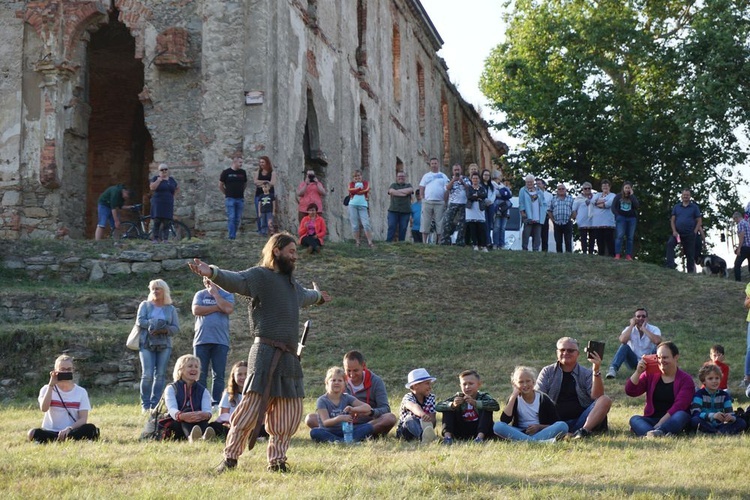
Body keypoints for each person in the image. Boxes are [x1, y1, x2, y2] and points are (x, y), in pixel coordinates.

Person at [188, 232, 331, 473]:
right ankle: (230, 458)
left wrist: (319, 297)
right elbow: (235, 280)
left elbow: (306, 296)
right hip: (264, 353)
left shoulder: (292, 285)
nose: (295, 256)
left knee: (288, 414)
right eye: (291, 251)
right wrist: (211, 271)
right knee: (249, 411)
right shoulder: (260, 276)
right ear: (276, 251)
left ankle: (277, 461)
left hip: (288, 357)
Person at [308, 351, 398, 437]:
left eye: (355, 370)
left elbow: (385, 409)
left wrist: (370, 412)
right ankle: (352, 435)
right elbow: (328, 403)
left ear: (363, 366)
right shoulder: (340, 382)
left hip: (367, 423)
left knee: (390, 418)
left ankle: (351, 434)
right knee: (311, 418)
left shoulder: (376, 382)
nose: (352, 375)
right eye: (348, 371)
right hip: (341, 423)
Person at [535, 337, 612, 439]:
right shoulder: (547, 372)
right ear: (557, 352)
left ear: (578, 354)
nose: (566, 353)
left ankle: (583, 432)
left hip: (581, 421)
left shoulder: (587, 374)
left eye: (570, 350)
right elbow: (537, 397)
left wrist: (596, 370)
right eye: (562, 350)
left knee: (605, 400)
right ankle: (560, 431)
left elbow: (597, 397)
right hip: (554, 423)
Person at [626, 341, 694, 438]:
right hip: (652, 418)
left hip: (672, 418)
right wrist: (638, 372)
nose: (661, 361)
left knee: (681, 415)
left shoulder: (686, 380)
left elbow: (679, 406)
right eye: (658, 357)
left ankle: (652, 433)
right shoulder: (650, 374)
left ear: (676, 357)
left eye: (665, 357)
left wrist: (660, 424)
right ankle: (655, 434)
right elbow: (630, 391)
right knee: (634, 419)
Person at [27, 355, 99, 444]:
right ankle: (64, 439)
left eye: (68, 369)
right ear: (55, 371)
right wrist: (51, 385)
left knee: (90, 428)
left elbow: (83, 418)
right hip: (51, 430)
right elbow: (44, 408)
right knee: (33, 432)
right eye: (62, 369)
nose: (65, 372)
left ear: (73, 371)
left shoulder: (81, 392)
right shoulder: (46, 389)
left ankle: (58, 439)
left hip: (71, 431)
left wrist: (69, 428)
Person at [135, 279, 180, 412]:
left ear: (164, 291)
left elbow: (176, 328)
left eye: (158, 288)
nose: (155, 291)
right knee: (147, 374)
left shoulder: (170, 308)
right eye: (153, 289)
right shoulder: (145, 305)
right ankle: (145, 405)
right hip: (146, 343)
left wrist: (163, 329)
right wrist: (153, 324)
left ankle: (155, 405)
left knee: (160, 374)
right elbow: (140, 321)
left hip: (164, 344)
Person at [493, 366, 568, 442]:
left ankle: (525, 441)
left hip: (540, 432)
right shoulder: (514, 399)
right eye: (521, 382)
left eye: (528, 381)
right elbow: (504, 420)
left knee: (562, 425)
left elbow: (554, 423)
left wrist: (539, 427)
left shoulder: (543, 398)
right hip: (520, 432)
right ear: (515, 384)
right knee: (498, 426)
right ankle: (538, 442)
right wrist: (513, 396)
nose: (525, 385)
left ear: (534, 382)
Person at [192, 276, 235, 406]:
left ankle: (216, 402)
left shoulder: (227, 294)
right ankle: (202, 402)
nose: (208, 283)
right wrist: (217, 307)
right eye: (206, 280)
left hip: (220, 341)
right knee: (200, 374)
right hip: (201, 340)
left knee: (218, 375)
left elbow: (228, 309)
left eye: (211, 280)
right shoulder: (199, 294)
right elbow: (196, 310)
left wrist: (215, 294)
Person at [310, 367, 374, 443]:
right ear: (327, 382)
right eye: (333, 380)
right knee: (314, 432)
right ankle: (344, 441)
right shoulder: (322, 400)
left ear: (345, 383)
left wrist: (353, 409)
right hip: (328, 431)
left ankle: (341, 441)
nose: (336, 382)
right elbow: (326, 422)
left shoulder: (347, 397)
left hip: (346, 431)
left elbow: (368, 408)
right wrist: (339, 418)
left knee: (368, 427)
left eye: (340, 380)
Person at [435, 370, 499, 443]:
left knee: (486, 408)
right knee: (448, 408)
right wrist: (453, 405)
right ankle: (447, 438)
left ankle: (479, 438)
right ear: (460, 386)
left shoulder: (483, 396)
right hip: (461, 430)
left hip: (481, 429)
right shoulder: (458, 397)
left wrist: (476, 403)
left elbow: (496, 405)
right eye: (464, 384)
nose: (467, 387)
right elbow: (438, 406)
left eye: (471, 384)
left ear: (479, 384)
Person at [165, 354, 215, 442]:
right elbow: (172, 408)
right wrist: (182, 416)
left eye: (196, 367)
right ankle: (191, 437)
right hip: (177, 424)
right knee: (187, 411)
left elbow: (207, 410)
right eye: (190, 366)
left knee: (202, 417)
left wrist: (204, 415)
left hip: (197, 421)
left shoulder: (203, 391)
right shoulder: (171, 388)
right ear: (181, 369)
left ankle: (203, 437)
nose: (194, 369)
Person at [605, 308, 662, 379]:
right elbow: (623, 340)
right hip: (634, 362)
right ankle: (613, 369)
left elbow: (657, 341)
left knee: (658, 347)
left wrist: (644, 329)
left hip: (649, 361)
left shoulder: (654, 329)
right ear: (634, 318)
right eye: (638, 316)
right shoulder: (629, 329)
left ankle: (657, 369)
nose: (641, 318)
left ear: (647, 319)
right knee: (624, 346)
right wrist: (632, 325)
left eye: (643, 316)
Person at [690, 363, 745, 435]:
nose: (714, 381)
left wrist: (730, 417)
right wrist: (712, 416)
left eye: (717, 378)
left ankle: (716, 432)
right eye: (710, 378)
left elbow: (730, 413)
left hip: (720, 425)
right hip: (705, 423)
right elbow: (696, 413)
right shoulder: (699, 394)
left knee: (741, 422)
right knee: (694, 420)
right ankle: (717, 432)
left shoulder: (724, 395)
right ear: (704, 381)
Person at [396, 368, 437, 443]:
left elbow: (432, 416)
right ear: (415, 386)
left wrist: (430, 421)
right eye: (427, 384)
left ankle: (427, 435)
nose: (430, 387)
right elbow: (413, 406)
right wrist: (422, 414)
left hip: (424, 427)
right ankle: (423, 436)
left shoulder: (431, 397)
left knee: (427, 424)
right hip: (406, 430)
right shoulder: (408, 397)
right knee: (410, 420)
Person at [665, 189, 702, 272]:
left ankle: (690, 271)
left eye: (687, 195)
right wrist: (674, 231)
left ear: (690, 196)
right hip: (678, 233)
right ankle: (670, 265)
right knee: (670, 243)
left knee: (690, 253)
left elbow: (699, 220)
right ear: (681, 196)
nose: (686, 196)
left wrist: (695, 231)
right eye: (684, 195)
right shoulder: (676, 207)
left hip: (689, 234)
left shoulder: (694, 207)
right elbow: (672, 220)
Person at [210, 361, 248, 439]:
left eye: (246, 374)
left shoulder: (255, 394)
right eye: (239, 374)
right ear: (234, 376)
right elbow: (223, 415)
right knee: (213, 426)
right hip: (230, 424)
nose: (243, 377)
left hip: (249, 424)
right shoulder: (228, 393)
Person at [418, 157, 449, 243]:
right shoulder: (426, 176)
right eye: (432, 164)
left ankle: (439, 241)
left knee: (440, 222)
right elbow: (421, 187)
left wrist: (445, 201)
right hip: (427, 202)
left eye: (435, 163)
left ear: (438, 164)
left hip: (439, 202)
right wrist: (422, 198)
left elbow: (447, 189)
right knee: (425, 221)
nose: (434, 165)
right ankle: (424, 241)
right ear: (430, 165)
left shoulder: (443, 176)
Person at [219, 156, 248, 240]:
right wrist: (226, 193)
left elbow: (245, 184)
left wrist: (241, 191)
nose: (241, 164)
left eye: (242, 162)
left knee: (237, 218)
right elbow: (220, 185)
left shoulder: (243, 172)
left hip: (240, 198)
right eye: (240, 162)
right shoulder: (226, 172)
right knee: (231, 217)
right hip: (230, 198)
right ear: (234, 162)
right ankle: (231, 236)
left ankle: (233, 233)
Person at [149, 163, 179, 242]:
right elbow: (152, 187)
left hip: (168, 203)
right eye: (162, 170)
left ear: (168, 170)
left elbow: (176, 188)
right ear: (159, 171)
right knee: (157, 220)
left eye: (166, 169)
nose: (164, 171)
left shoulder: (171, 179)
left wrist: (173, 197)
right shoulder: (156, 178)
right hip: (158, 203)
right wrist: (159, 180)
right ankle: (155, 238)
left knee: (167, 221)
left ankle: (165, 239)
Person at [441, 164, 470, 246]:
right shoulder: (449, 179)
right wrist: (453, 180)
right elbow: (447, 188)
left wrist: (462, 182)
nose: (457, 171)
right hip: (452, 203)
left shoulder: (465, 179)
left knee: (462, 224)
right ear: (453, 171)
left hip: (463, 203)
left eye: (458, 170)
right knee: (447, 221)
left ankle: (460, 241)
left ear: (461, 170)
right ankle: (445, 241)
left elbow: (469, 188)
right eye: (455, 170)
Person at [611, 181, 639, 260]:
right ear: (623, 188)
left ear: (631, 189)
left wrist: (632, 196)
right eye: (626, 188)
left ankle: (628, 255)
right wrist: (617, 216)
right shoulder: (618, 196)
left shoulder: (632, 197)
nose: (627, 189)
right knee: (619, 236)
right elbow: (613, 207)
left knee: (630, 237)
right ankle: (617, 254)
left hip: (631, 218)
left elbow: (637, 206)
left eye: (629, 188)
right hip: (621, 218)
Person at [518, 174, 546, 251]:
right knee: (526, 232)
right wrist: (522, 212)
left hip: (538, 214)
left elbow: (543, 202)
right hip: (528, 213)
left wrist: (544, 211)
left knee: (537, 233)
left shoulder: (539, 191)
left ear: (534, 182)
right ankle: (524, 248)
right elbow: (521, 202)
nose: (529, 183)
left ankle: (536, 249)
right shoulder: (522, 190)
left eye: (530, 182)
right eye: (527, 182)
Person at [348, 170, 375, 248]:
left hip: (363, 205)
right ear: (353, 178)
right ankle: (357, 242)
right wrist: (358, 189)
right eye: (355, 176)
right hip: (352, 205)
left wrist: (356, 191)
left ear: (361, 176)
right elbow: (350, 190)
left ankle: (370, 242)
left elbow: (366, 189)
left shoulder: (365, 183)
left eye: (358, 176)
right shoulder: (351, 184)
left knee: (366, 224)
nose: (357, 177)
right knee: (355, 225)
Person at [386, 171, 414, 242]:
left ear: (405, 178)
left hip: (405, 211)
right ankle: (388, 242)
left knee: (403, 228)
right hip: (393, 210)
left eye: (402, 176)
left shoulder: (408, 185)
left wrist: (397, 192)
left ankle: (401, 243)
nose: (401, 177)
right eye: (399, 176)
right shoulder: (393, 185)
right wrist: (404, 193)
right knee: (391, 226)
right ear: (396, 178)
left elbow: (410, 190)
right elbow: (391, 191)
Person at [590, 180, 616, 256]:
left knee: (610, 241)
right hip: (597, 223)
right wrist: (602, 201)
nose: (605, 187)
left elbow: (609, 203)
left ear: (609, 187)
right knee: (599, 241)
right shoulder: (597, 194)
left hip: (608, 223)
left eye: (606, 186)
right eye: (603, 186)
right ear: (601, 187)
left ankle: (612, 256)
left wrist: (600, 203)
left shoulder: (612, 195)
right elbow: (592, 201)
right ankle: (600, 256)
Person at [464, 172, 488, 251]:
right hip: (471, 210)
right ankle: (475, 244)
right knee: (472, 228)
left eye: (476, 178)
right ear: (471, 179)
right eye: (473, 178)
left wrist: (475, 196)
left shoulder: (482, 188)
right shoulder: (468, 188)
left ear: (479, 179)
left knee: (481, 228)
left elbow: (484, 195)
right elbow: (469, 196)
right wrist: (477, 197)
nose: (475, 180)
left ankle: (483, 245)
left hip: (480, 210)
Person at [547, 183, 574, 253]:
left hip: (567, 222)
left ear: (566, 190)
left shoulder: (570, 198)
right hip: (557, 223)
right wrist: (553, 220)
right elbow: (549, 210)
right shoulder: (553, 199)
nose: (561, 190)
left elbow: (574, 210)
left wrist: (571, 219)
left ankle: (569, 255)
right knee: (558, 241)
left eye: (563, 189)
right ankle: (559, 255)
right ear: (557, 191)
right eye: (559, 189)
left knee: (568, 240)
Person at [252, 156, 276, 233]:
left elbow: (272, 183)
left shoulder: (272, 172)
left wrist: (261, 182)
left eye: (263, 162)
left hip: (269, 195)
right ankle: (261, 230)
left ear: (267, 163)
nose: (261, 164)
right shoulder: (257, 172)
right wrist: (266, 181)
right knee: (259, 212)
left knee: (269, 213)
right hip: (259, 195)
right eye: (260, 162)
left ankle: (269, 230)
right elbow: (255, 182)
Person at [571, 182, 594, 254]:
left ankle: (591, 252)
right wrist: (575, 219)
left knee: (592, 237)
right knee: (583, 237)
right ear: (582, 189)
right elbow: (574, 209)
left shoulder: (595, 197)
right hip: (582, 221)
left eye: (589, 188)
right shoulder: (578, 198)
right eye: (585, 188)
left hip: (593, 220)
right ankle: (584, 252)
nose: (587, 189)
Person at [480, 170, 499, 250]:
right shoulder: (480, 185)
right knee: (485, 224)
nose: (486, 176)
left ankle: (488, 241)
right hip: (483, 205)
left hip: (490, 205)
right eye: (485, 175)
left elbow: (494, 194)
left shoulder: (492, 185)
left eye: (488, 175)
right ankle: (487, 241)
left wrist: (490, 201)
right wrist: (486, 200)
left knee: (490, 224)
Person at [493, 180, 513, 249]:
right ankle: (495, 243)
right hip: (497, 210)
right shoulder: (493, 184)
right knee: (496, 227)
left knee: (502, 228)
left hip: (505, 211)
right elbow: (496, 193)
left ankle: (502, 244)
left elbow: (509, 194)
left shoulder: (504, 187)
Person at [536, 178, 553, 252]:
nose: (537, 185)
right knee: (536, 234)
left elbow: (550, 206)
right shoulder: (533, 193)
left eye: (539, 184)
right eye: (536, 184)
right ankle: (535, 249)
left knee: (544, 234)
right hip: (536, 216)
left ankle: (544, 250)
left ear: (544, 185)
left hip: (545, 216)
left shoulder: (549, 195)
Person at [733, 211, 750, 281]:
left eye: (734, 219)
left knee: (737, 264)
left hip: (745, 247)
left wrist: (739, 248)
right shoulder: (747, 223)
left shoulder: (740, 224)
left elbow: (741, 236)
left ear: (737, 217)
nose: (734, 221)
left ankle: (738, 280)